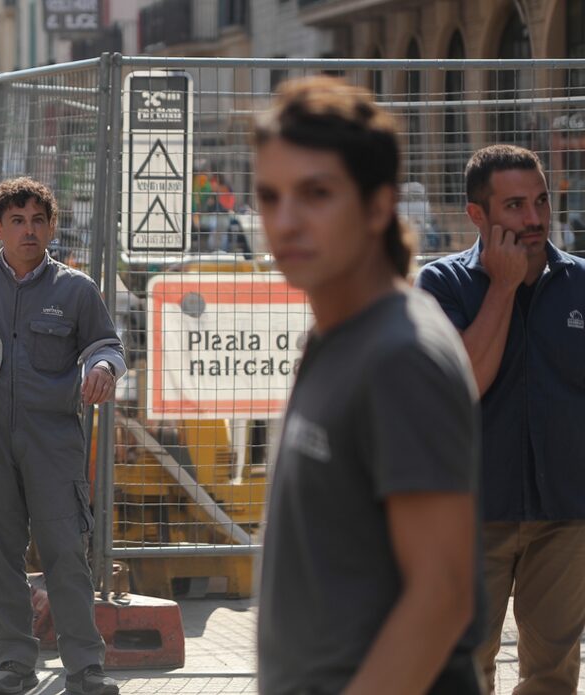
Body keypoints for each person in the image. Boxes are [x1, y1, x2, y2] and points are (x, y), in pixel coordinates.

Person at [256, 77, 481, 695]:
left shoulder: (401, 356)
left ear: (379, 207)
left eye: (316, 194)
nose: (285, 222)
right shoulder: (335, 335)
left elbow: (442, 597)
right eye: (269, 196)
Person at [0, 177, 125, 695]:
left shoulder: (75, 289)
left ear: (52, 227)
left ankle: (85, 668)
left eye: (39, 220)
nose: (29, 230)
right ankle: (16, 664)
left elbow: (107, 344)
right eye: (17, 221)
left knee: (66, 552)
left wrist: (103, 367)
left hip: (53, 441)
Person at [416, 144, 585, 694]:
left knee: (553, 676)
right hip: (469, 516)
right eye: (515, 206)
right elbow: (461, 384)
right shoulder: (441, 285)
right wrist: (504, 286)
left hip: (566, 516)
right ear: (477, 214)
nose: (535, 218)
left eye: (541, 200)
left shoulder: (581, 283)